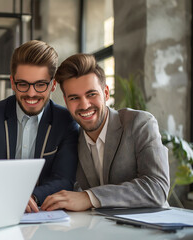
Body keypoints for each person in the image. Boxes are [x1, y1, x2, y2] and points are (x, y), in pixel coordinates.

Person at [0, 40, 79, 213]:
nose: (31, 93)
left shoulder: (66, 121)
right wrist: (11, 198)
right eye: (23, 84)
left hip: (42, 213)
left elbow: (64, 179)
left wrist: (32, 197)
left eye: (40, 84)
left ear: (53, 85)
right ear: (12, 82)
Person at [41, 53, 170, 211]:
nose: (84, 105)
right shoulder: (73, 139)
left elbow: (157, 188)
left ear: (106, 93)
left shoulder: (140, 123)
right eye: (74, 98)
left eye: (91, 94)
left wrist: (89, 197)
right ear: (66, 101)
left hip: (151, 228)